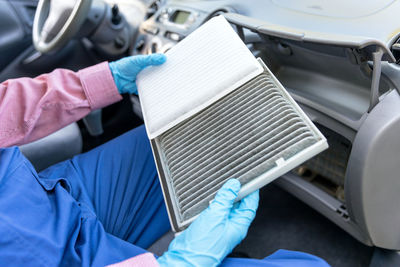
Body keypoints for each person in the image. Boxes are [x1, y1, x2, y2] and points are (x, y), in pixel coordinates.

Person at [0, 54, 330, 266]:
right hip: (64, 259)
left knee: (206, 126)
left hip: (48, 196)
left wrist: (96, 84)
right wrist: (180, 264)